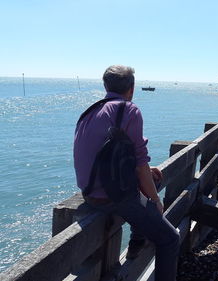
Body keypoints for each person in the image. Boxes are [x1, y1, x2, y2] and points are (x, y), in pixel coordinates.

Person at [74, 65, 180, 281]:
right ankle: (141, 241)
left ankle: (137, 242)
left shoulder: (90, 111)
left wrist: (148, 175)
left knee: (154, 177)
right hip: (112, 197)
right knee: (170, 239)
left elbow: (104, 154)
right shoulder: (129, 110)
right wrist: (155, 200)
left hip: (89, 192)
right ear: (131, 88)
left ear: (105, 86)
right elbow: (140, 162)